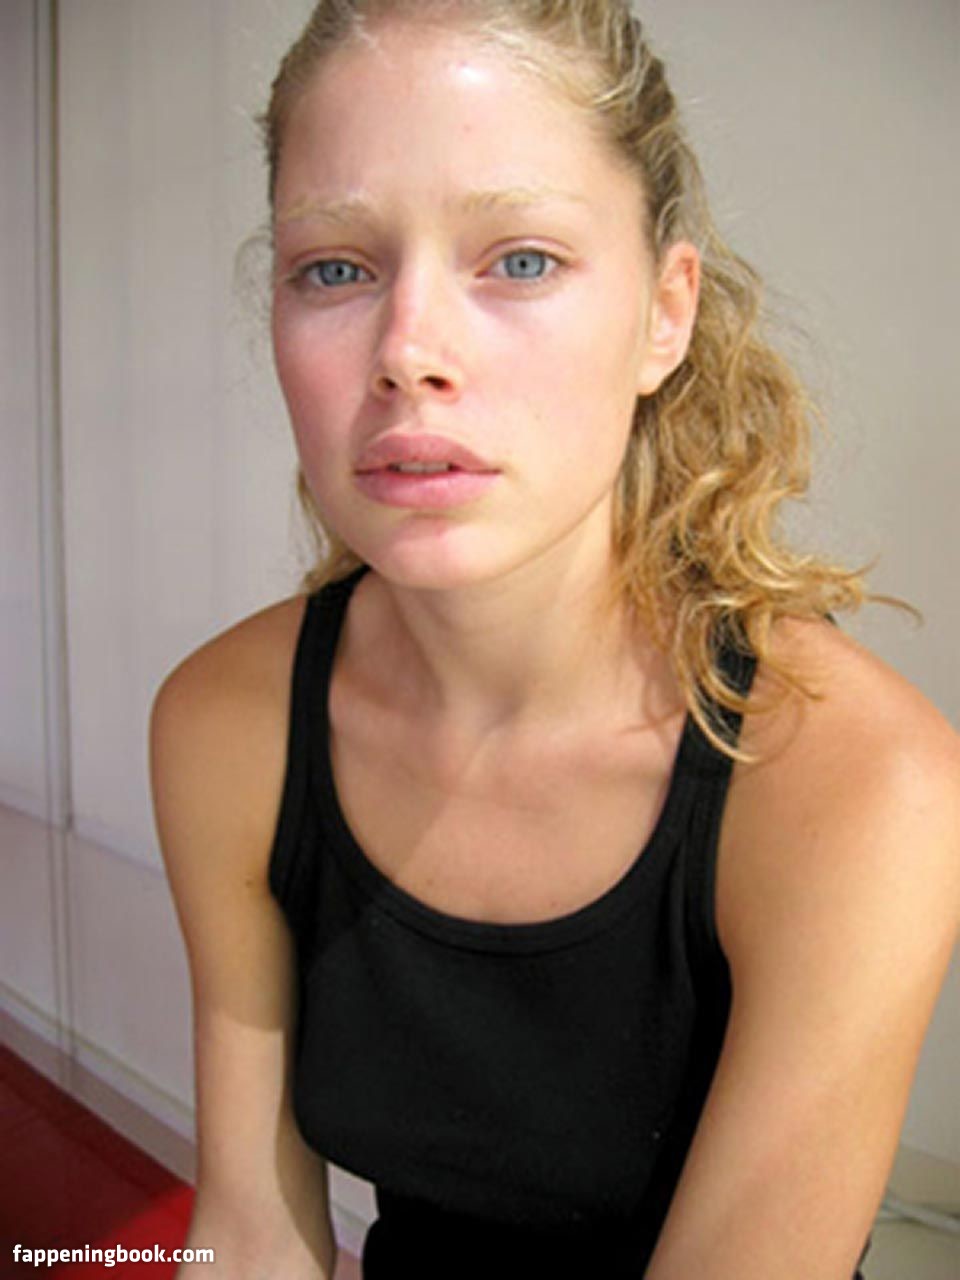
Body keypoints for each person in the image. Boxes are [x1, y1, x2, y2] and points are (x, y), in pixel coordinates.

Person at [149, 2, 960, 1277]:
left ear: (665, 315)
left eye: (520, 259)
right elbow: (249, 1233)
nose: (409, 352)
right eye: (336, 268)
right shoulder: (227, 723)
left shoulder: (852, 781)